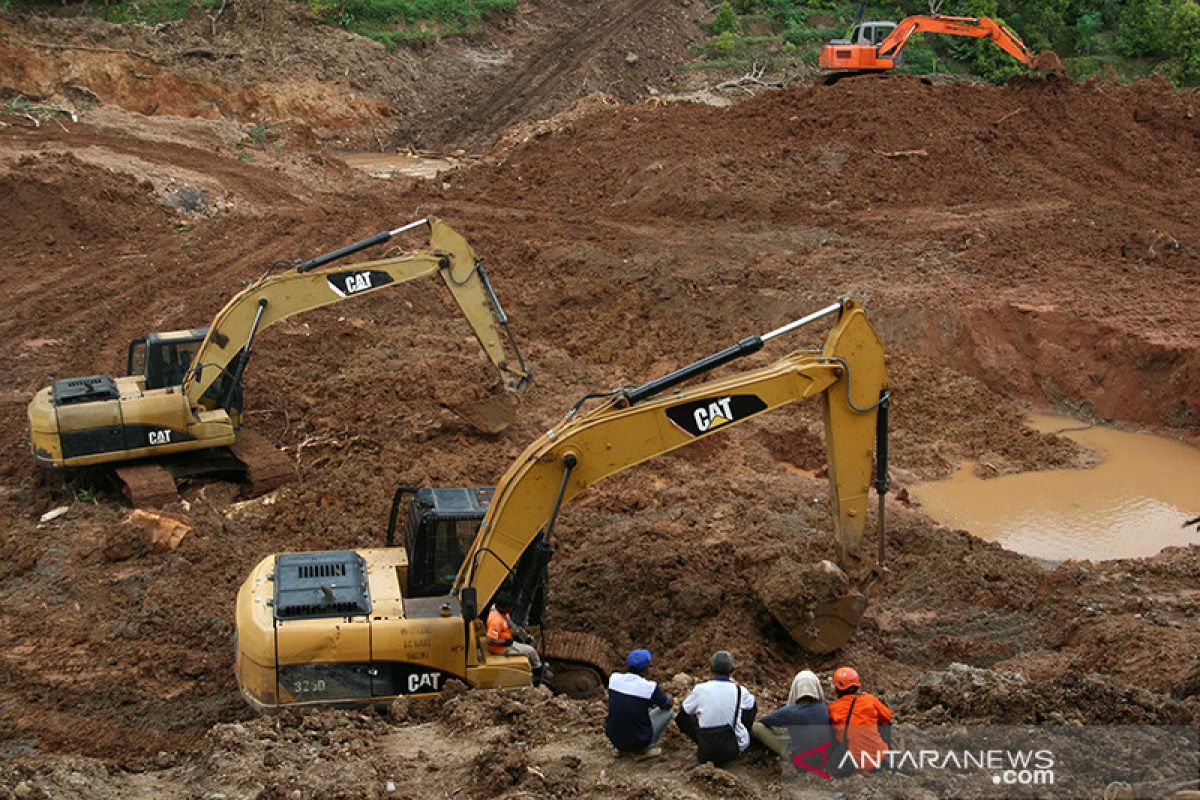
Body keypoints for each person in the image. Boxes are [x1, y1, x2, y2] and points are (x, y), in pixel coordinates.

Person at [676, 651, 757, 766]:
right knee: (749, 708)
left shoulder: (700, 690)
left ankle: (702, 741)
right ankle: (739, 735)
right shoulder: (740, 691)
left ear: (711, 669)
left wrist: (697, 736)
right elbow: (752, 707)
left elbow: (682, 715)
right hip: (732, 750)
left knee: (686, 715)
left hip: (706, 751)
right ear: (732, 670)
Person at [751, 669, 832, 767]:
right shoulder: (823, 707)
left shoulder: (791, 712)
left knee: (756, 727)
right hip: (824, 756)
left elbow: (764, 722)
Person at [605, 648, 673, 760]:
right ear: (645, 669)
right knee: (668, 712)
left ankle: (620, 748)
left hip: (614, 737)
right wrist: (669, 698)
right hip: (638, 741)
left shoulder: (614, 679)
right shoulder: (650, 687)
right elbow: (666, 705)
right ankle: (644, 749)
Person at [827, 666, 893, 774]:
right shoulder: (870, 700)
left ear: (837, 687)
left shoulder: (833, 708)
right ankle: (888, 755)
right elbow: (888, 717)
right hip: (878, 760)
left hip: (851, 764)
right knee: (884, 723)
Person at [484, 592, 543, 674]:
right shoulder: (496, 621)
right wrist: (505, 642)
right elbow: (489, 640)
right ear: (502, 606)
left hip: (504, 639)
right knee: (531, 651)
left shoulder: (498, 609)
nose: (511, 609)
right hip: (501, 648)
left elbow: (507, 624)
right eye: (509, 607)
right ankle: (538, 670)